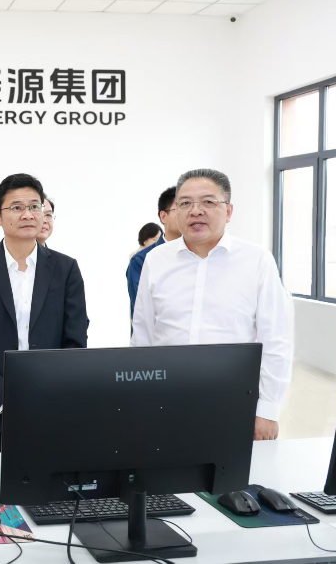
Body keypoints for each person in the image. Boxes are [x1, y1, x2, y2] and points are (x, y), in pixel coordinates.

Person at [131, 168, 294, 441]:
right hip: (165, 400)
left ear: (228, 211)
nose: (195, 211)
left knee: (232, 469)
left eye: (208, 202)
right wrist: (139, 398)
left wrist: (267, 410)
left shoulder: (256, 261)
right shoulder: (155, 260)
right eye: (185, 203)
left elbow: (275, 340)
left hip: (234, 400)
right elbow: (142, 336)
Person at [0, 173, 88, 453]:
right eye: (17, 207)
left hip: (51, 408)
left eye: (34, 206)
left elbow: (75, 340)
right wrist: (4, 399)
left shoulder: (66, 269)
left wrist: (46, 393)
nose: (28, 214)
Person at [126, 186, 181, 320]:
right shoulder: (141, 260)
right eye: (180, 209)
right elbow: (143, 312)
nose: (188, 215)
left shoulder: (199, 255)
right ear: (164, 216)